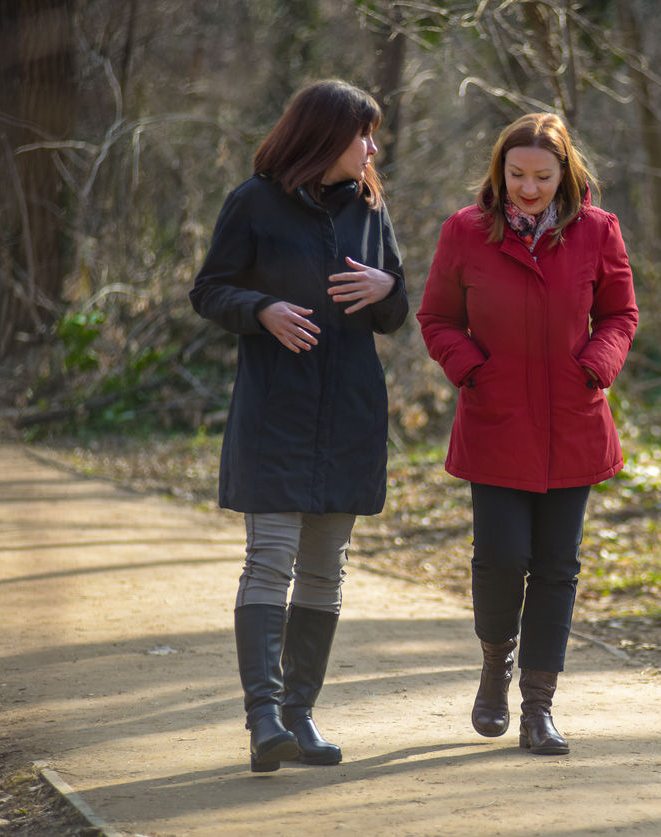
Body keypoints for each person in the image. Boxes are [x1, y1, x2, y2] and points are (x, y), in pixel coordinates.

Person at [189, 79, 408, 772]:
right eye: (364, 135)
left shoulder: (370, 208)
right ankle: (263, 717)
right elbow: (209, 289)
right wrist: (261, 309)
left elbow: (396, 309)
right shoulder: (253, 201)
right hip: (275, 413)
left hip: (350, 414)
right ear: (325, 136)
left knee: (325, 568)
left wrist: (388, 289)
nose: (372, 149)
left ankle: (298, 715)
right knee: (270, 557)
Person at [417, 112, 637, 755]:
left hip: (573, 421)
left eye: (542, 175)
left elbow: (620, 314)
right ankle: (495, 666)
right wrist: (472, 370)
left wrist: (595, 366)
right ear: (500, 170)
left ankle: (539, 708)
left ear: (565, 172)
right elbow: (437, 318)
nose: (529, 188)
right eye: (517, 174)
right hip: (495, 420)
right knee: (501, 558)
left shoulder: (598, 231)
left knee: (557, 567)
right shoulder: (465, 230)